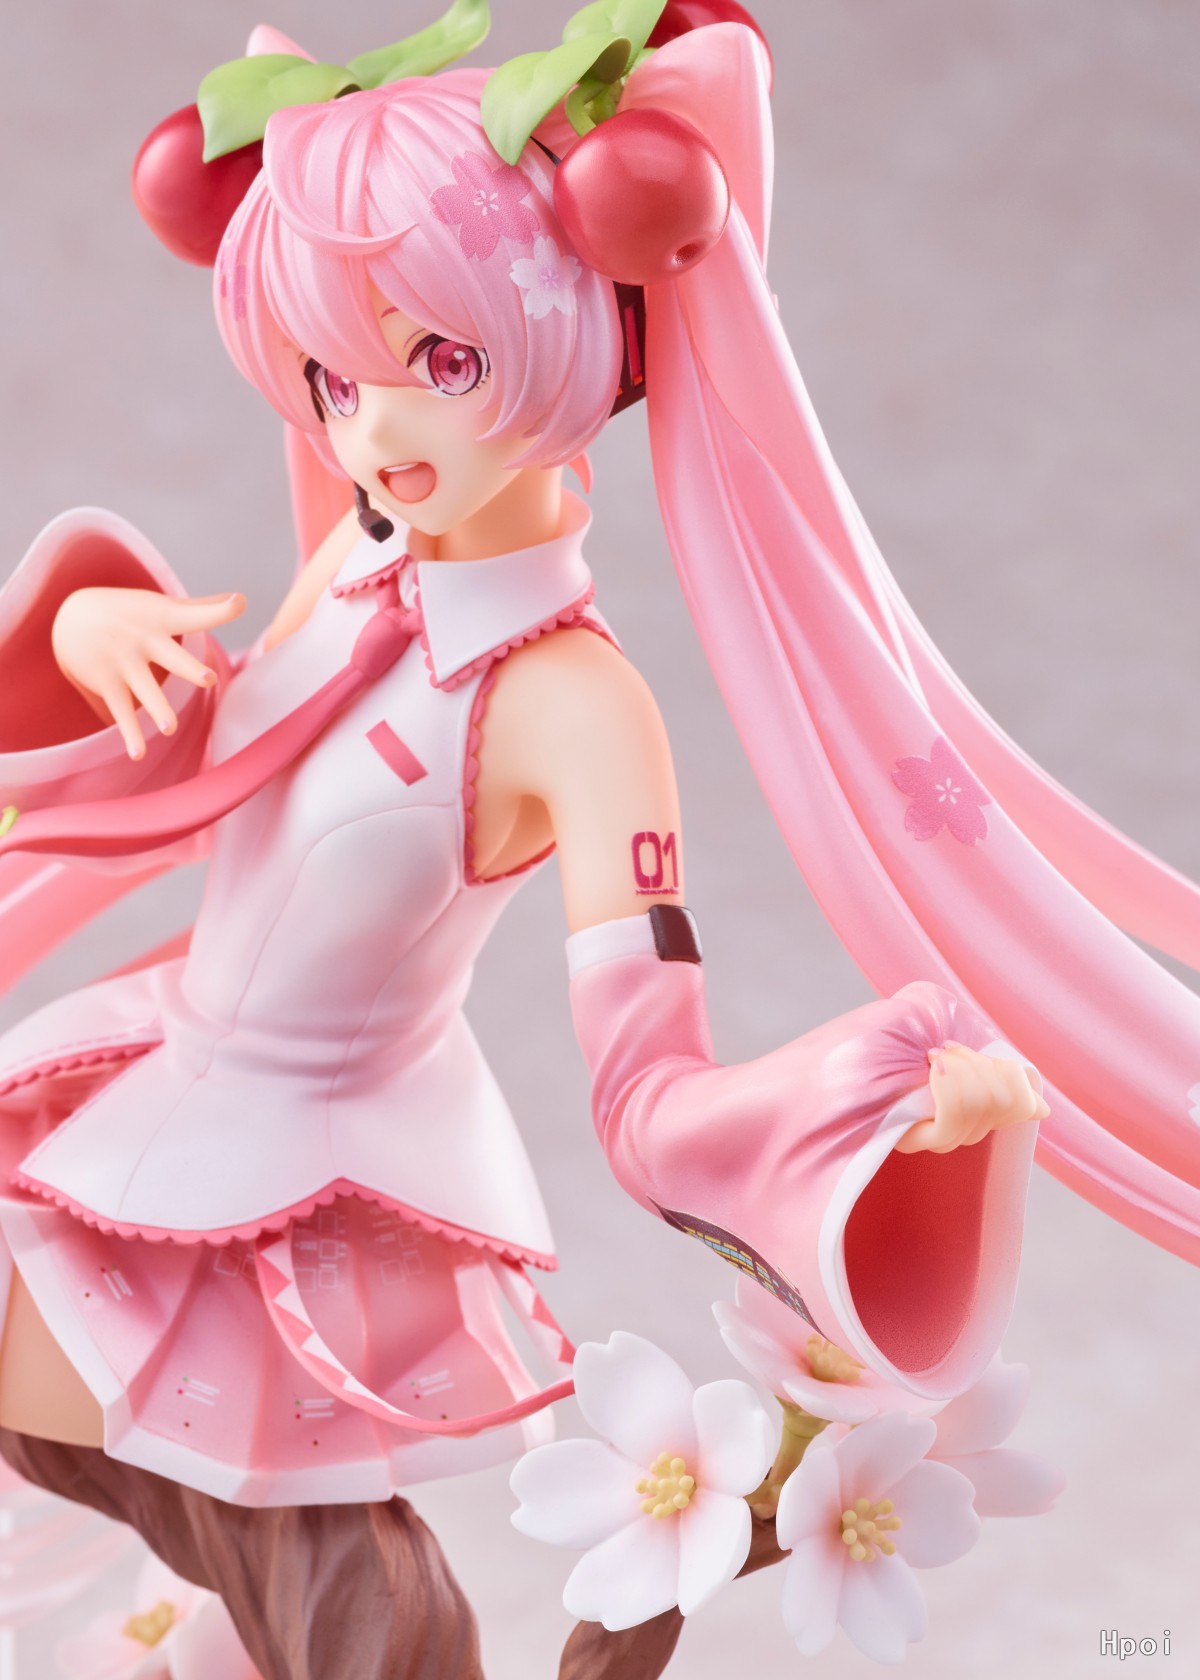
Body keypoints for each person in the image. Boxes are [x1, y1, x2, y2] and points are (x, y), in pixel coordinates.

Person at [0, 6, 1192, 1677]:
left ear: (579, 333)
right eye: (337, 379)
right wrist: (87, 633)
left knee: (347, 1615)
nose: (375, 432)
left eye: (444, 364)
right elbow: (231, 755)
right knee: (222, 1553)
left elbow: (648, 1086)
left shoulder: (571, 705)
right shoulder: (362, 558)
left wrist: (883, 1111)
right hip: (142, 1090)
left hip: (306, 1199)